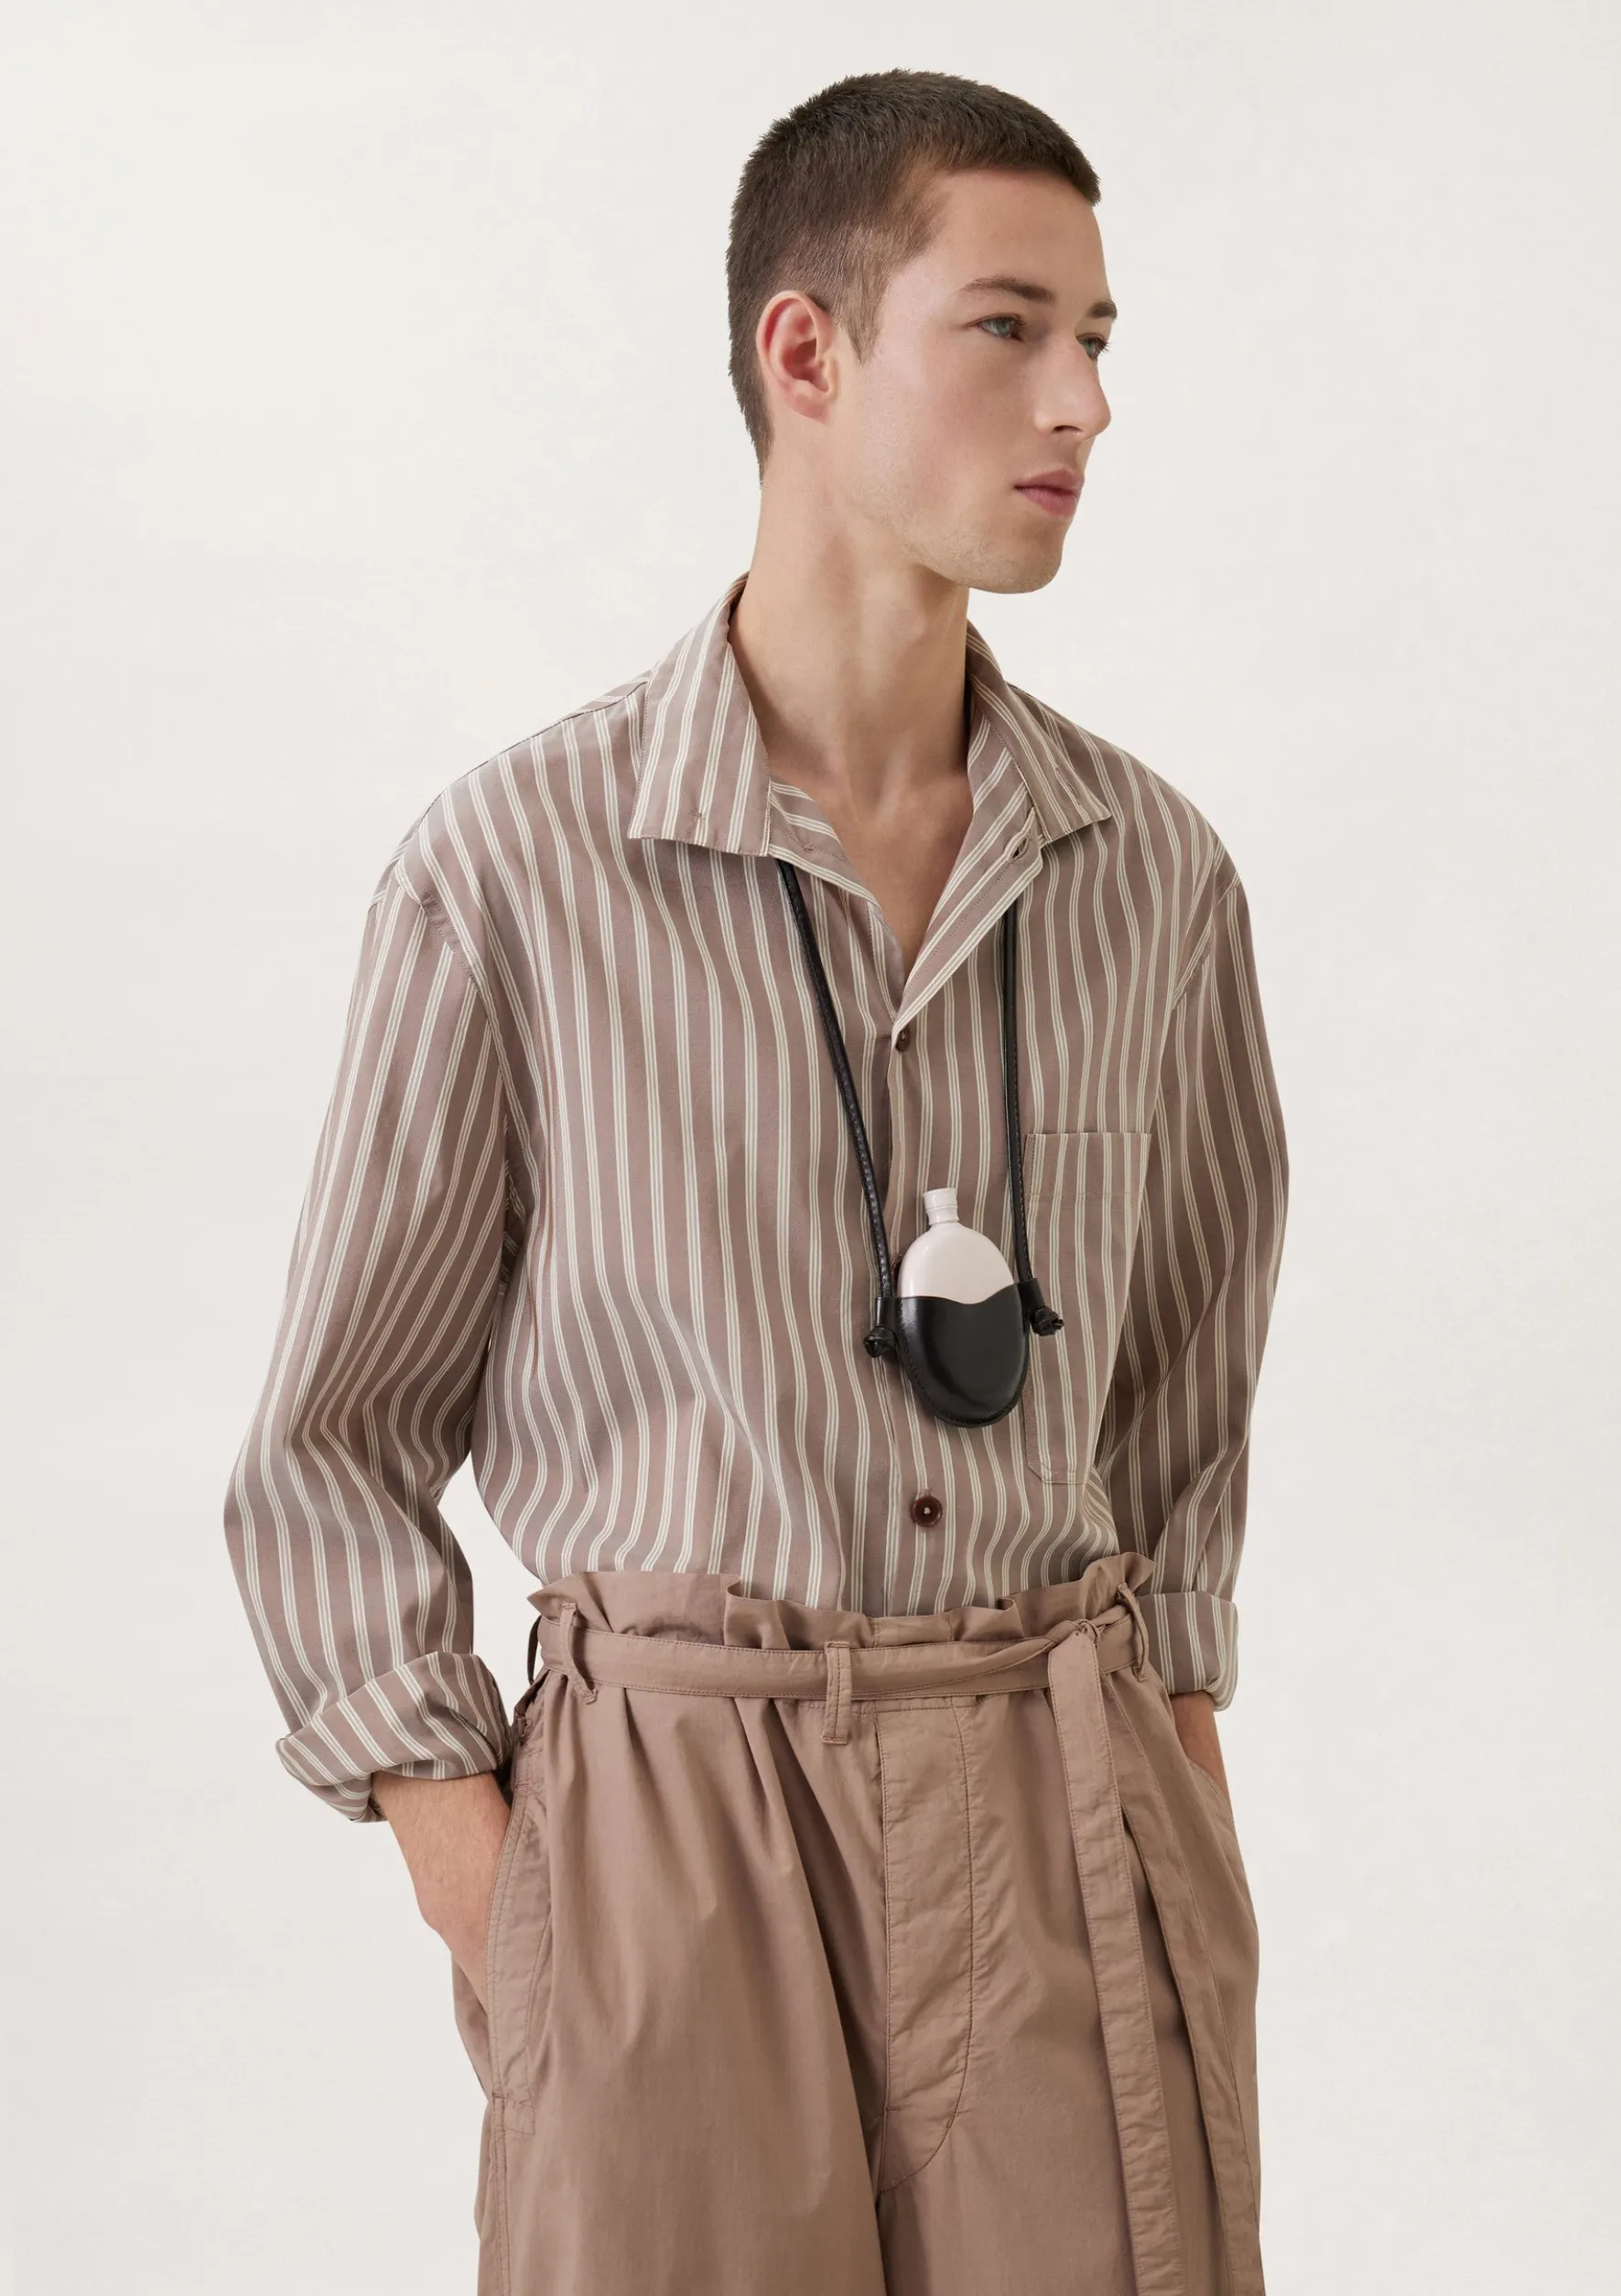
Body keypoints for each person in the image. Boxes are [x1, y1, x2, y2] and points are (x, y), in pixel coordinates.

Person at [224, 65, 1290, 2296]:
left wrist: (1174, 1850)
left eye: (1098, 341)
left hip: (1062, 1810)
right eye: (1007, 328)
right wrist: (517, 1909)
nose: (1082, 402)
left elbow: (1180, 1433)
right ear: (801, 353)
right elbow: (331, 1452)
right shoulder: (514, 874)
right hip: (670, 1841)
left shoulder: (1150, 880)